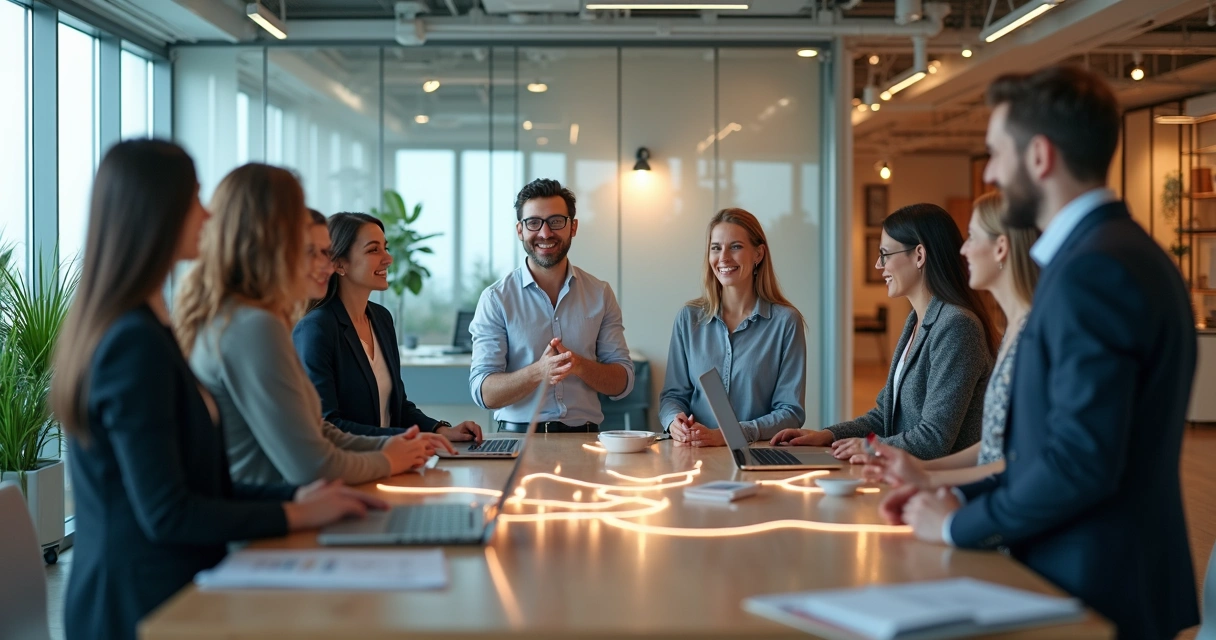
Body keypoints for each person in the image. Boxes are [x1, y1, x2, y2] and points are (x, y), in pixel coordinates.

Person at [891, 66, 1199, 639]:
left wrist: (958, 524)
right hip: (1091, 575)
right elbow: (1042, 450)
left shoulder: (1094, 271)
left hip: (1093, 586)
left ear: (1039, 157)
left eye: (995, 154)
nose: (990, 172)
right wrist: (948, 492)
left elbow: (1079, 462)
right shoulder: (1110, 254)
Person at [51, 141, 384, 640]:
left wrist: (299, 497)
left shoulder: (146, 329)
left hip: (170, 592)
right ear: (157, 214)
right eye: (194, 201)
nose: (208, 215)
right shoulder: (133, 342)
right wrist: (293, 509)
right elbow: (169, 512)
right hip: (141, 609)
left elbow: (198, 485)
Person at [174, 164, 447, 488]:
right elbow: (313, 463)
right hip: (269, 522)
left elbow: (317, 429)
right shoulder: (255, 326)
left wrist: (392, 445)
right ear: (272, 234)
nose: (323, 259)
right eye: (298, 223)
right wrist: (390, 457)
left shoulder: (243, 317)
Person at [771, 203, 997, 461]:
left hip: (938, 488)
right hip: (905, 479)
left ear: (919, 255)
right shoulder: (916, 320)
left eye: (885, 254)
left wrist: (867, 448)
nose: (879, 265)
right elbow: (885, 415)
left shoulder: (957, 326)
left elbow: (934, 438)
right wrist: (829, 435)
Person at [862, 192, 1039, 488]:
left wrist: (884, 456)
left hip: (989, 505)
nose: (964, 249)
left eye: (971, 236)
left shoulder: (967, 325)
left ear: (1001, 248)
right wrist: (918, 474)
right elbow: (994, 449)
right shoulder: (1012, 330)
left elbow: (1017, 458)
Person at [293, 212, 483, 441]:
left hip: (389, 463)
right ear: (340, 263)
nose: (388, 258)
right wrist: (409, 438)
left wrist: (440, 430)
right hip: (349, 468)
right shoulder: (317, 329)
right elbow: (328, 424)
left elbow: (398, 407)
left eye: (385, 247)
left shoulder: (381, 318)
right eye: (374, 250)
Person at [469, 178, 634, 433]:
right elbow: (484, 392)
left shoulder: (600, 294)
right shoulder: (496, 299)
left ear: (573, 227)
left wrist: (578, 365)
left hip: (586, 441)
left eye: (556, 221)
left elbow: (623, 383)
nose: (545, 233)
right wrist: (539, 371)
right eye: (534, 222)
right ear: (520, 230)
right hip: (518, 440)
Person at [659, 208, 807, 447]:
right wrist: (672, 421)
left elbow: (791, 412)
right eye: (716, 248)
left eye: (735, 247)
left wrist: (731, 434)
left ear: (758, 253)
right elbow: (673, 396)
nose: (724, 258)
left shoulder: (786, 322)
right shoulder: (689, 319)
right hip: (693, 455)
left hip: (756, 456)